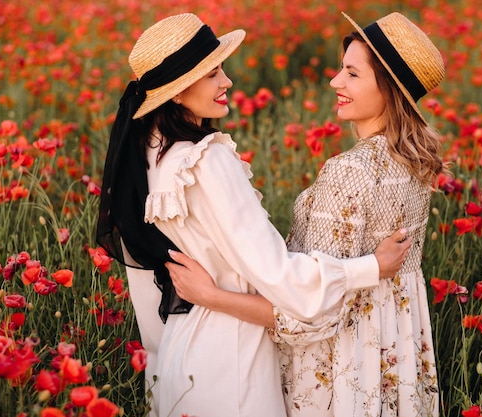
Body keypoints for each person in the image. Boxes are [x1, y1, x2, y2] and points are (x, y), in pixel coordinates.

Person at [95, 13, 411, 417]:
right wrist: (369, 268)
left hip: (178, 356)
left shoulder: (151, 160)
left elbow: (148, 291)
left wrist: (159, 361)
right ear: (176, 92)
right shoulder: (206, 161)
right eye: (212, 73)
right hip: (232, 360)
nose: (226, 81)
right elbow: (279, 275)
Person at [166, 11, 448, 417]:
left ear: (388, 89)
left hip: (342, 370)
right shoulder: (416, 165)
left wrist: (212, 297)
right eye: (340, 69)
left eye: (352, 73)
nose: (336, 82)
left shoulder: (348, 171)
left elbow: (308, 314)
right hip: (397, 357)